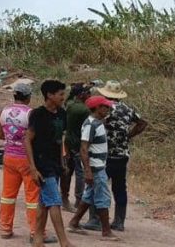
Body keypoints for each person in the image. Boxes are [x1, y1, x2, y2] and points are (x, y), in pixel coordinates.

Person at [84, 80, 147, 232]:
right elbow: (143, 123)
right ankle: (119, 221)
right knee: (119, 188)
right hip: (122, 154)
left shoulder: (104, 109)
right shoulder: (127, 109)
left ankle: (95, 219)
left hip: (104, 155)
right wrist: (128, 136)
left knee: (97, 186)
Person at [25, 79, 74, 247]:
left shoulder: (62, 113)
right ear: (49, 95)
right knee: (54, 201)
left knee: (44, 203)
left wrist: (63, 161)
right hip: (42, 164)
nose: (63, 97)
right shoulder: (38, 114)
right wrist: (32, 167)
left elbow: (60, 139)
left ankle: (37, 239)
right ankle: (64, 241)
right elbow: (27, 140)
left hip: (55, 163)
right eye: (60, 94)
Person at [67, 95, 120, 241]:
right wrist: (88, 171)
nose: (108, 109)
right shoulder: (91, 125)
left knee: (89, 196)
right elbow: (84, 149)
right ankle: (106, 231)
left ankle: (74, 222)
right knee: (102, 197)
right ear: (97, 108)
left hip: (97, 166)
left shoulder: (97, 123)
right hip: (95, 168)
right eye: (105, 107)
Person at [0, 81, 40, 240]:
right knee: (33, 198)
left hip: (9, 156)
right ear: (28, 97)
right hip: (27, 159)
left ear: (14, 95)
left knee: (8, 195)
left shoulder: (4, 111)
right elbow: (36, 138)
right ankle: (36, 231)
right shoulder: (31, 113)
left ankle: (5, 229)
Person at [62, 83, 92, 212]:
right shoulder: (84, 110)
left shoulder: (69, 105)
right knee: (80, 173)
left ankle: (64, 198)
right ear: (81, 95)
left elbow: (68, 99)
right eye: (87, 93)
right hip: (79, 143)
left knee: (67, 171)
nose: (90, 95)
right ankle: (78, 200)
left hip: (68, 141)